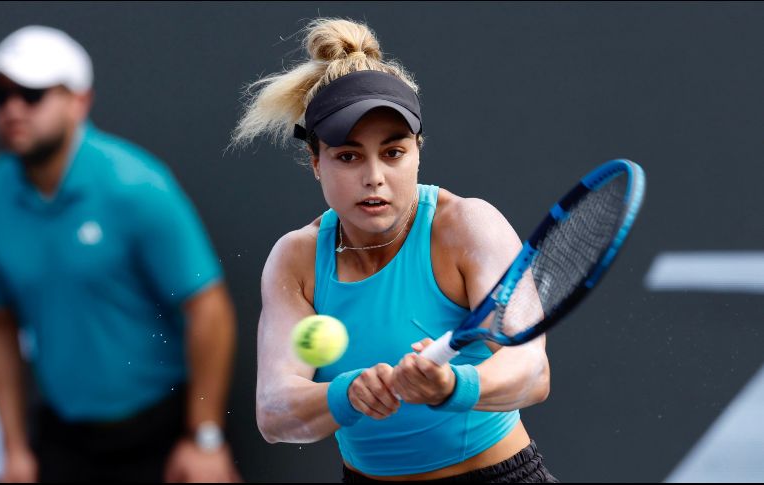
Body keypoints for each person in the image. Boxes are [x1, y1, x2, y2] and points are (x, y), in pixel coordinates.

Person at [238, 18, 559, 482]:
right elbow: (274, 413)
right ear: (315, 163)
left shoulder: (467, 226)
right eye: (348, 156)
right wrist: (346, 394)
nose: (374, 176)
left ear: (417, 151)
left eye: (393, 153)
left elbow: (532, 372)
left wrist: (454, 385)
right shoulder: (297, 259)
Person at [0, 25, 240, 483]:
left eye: (31, 94)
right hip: (61, 435)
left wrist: (204, 439)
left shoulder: (135, 186)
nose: (11, 109)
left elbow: (209, 310)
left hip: (160, 431)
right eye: (0, 95)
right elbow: (0, 325)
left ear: (79, 102)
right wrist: (14, 448)